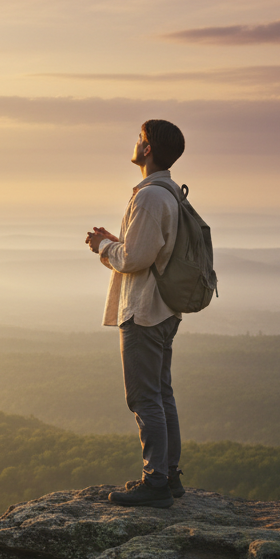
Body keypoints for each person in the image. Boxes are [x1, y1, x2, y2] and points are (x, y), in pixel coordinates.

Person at [84, 119, 187, 509]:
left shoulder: (148, 197)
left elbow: (134, 259)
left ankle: (156, 481)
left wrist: (103, 246)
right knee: (162, 394)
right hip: (165, 309)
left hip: (143, 310)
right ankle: (169, 476)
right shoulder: (171, 193)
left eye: (139, 138)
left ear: (147, 149)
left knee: (144, 398)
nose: (135, 143)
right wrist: (115, 241)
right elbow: (147, 251)